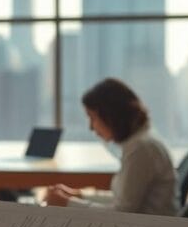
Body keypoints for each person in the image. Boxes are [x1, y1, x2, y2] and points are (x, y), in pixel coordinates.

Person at [43, 78, 177, 216]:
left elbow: (123, 212)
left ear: (111, 115)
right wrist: (78, 196)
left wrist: (68, 203)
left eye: (92, 118)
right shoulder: (141, 142)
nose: (91, 127)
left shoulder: (141, 149)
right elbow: (122, 200)